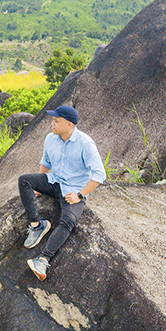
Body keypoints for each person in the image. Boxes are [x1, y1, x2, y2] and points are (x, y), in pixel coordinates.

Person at [19, 104, 106, 281]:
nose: (52, 124)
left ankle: (43, 260)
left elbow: (99, 174)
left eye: (56, 121)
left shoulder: (85, 143)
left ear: (69, 124)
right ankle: (37, 226)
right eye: (53, 120)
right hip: (54, 181)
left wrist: (80, 195)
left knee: (68, 220)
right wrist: (38, 185)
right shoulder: (50, 139)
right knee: (24, 180)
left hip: (73, 190)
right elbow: (46, 162)